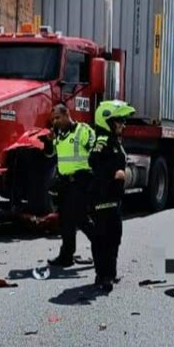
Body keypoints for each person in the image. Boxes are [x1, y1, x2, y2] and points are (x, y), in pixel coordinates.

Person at [89, 100, 135, 292]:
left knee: (114, 237)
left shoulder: (114, 141)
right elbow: (94, 162)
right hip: (103, 197)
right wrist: (113, 174)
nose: (123, 125)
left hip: (114, 197)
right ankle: (104, 275)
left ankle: (109, 274)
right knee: (103, 238)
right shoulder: (103, 141)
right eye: (119, 121)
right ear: (107, 121)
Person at [42, 104, 96, 267]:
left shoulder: (83, 131)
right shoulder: (59, 135)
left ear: (67, 115)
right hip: (65, 182)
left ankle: (101, 246)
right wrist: (49, 141)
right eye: (53, 119)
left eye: (58, 117)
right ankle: (66, 256)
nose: (55, 122)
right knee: (66, 220)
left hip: (81, 181)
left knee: (81, 218)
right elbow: (50, 154)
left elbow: (95, 153)